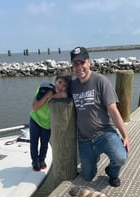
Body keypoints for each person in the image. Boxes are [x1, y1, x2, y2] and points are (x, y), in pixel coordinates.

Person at [70, 46, 130, 187]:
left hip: (104, 134)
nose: (79, 67)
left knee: (121, 157)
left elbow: (113, 110)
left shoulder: (101, 81)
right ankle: (93, 158)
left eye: (82, 63)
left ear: (89, 62)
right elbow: (59, 92)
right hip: (84, 140)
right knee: (88, 176)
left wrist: (125, 135)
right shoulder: (72, 85)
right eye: (75, 64)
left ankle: (112, 172)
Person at [29, 75, 70, 171]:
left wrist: (53, 96)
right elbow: (35, 107)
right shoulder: (43, 88)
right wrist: (47, 96)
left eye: (64, 85)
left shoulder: (62, 94)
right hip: (35, 119)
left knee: (44, 143)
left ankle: (42, 160)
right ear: (55, 81)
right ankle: (35, 161)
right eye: (59, 82)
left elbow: (64, 95)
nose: (60, 87)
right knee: (34, 142)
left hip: (47, 124)